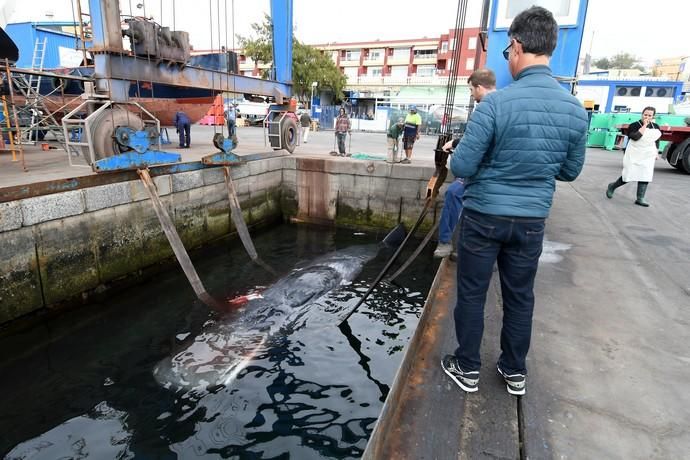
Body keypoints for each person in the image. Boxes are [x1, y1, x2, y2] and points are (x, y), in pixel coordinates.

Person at [440, 6, 588, 396]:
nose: (508, 59)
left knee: (472, 291)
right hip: (531, 221)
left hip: (485, 215)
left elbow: (463, 164)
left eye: (507, 52)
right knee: (520, 296)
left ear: (517, 46)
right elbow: (570, 171)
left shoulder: (494, 104)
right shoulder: (574, 109)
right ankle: (513, 371)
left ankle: (467, 367)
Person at [434, 68, 497, 258]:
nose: (471, 94)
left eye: (471, 90)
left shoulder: (486, 108)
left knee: (454, 193)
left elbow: (466, 160)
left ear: (478, 87)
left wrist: (457, 159)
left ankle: (445, 242)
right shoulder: (504, 106)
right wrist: (455, 142)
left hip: (486, 173)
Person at [605, 107, 662, 207]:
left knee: (645, 175)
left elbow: (656, 140)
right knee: (629, 174)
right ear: (642, 114)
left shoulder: (656, 126)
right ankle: (612, 186)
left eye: (649, 115)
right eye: (645, 115)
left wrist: (656, 152)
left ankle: (640, 198)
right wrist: (644, 126)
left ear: (653, 116)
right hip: (634, 153)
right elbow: (635, 137)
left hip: (647, 154)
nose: (647, 117)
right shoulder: (634, 125)